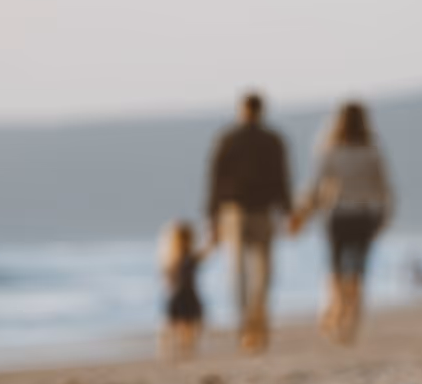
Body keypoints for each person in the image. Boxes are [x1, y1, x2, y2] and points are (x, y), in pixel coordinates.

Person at [290, 101, 394, 344]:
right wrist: (384, 217)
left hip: (337, 216)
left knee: (336, 270)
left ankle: (335, 310)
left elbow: (316, 189)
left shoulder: (329, 151)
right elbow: (384, 188)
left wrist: (302, 214)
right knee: (358, 271)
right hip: (364, 216)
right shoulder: (373, 151)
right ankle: (351, 321)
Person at [205, 92, 291, 352]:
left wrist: (213, 217)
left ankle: (246, 323)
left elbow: (215, 179)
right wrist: (287, 210)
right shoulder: (273, 140)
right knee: (263, 271)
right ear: (262, 110)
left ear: (242, 110)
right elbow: (283, 177)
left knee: (239, 271)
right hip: (262, 210)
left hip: (236, 211)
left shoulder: (228, 138)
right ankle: (257, 316)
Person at [158, 220, 206, 361]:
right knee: (176, 325)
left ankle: (186, 348)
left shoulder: (190, 256)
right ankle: (173, 349)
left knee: (189, 325)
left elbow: (206, 252)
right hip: (179, 295)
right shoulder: (174, 258)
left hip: (188, 294)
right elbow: (167, 277)